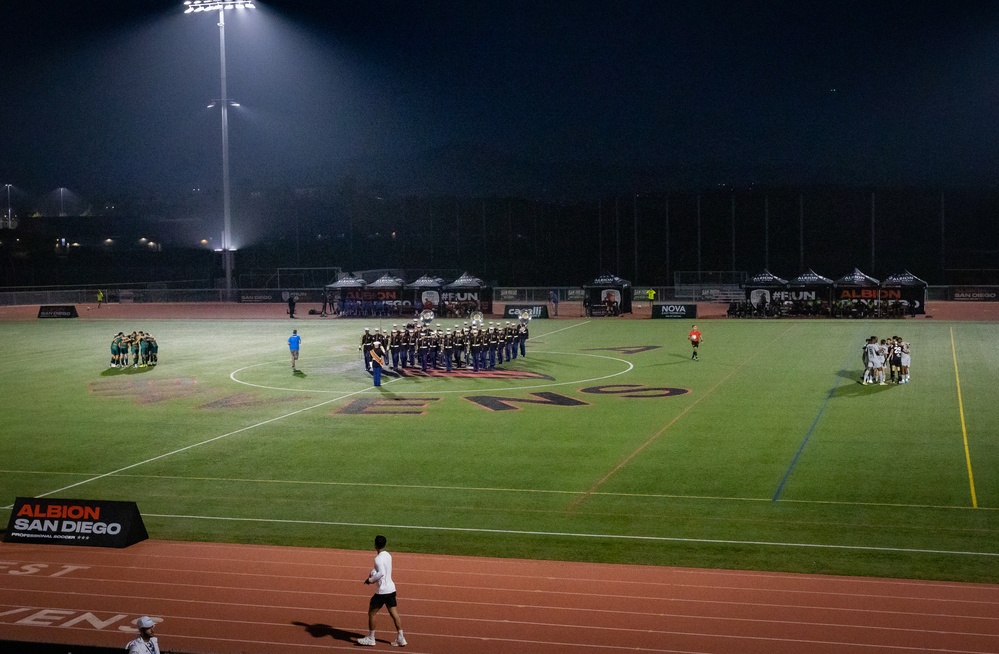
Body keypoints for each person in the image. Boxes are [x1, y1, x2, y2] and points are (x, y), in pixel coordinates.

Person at [358, 535, 406, 647]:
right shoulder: (388, 555)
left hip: (382, 591)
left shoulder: (377, 558)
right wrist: (373, 571)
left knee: (372, 613)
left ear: (375, 545)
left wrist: (370, 580)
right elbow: (382, 569)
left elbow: (381, 573)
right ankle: (401, 638)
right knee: (394, 614)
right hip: (391, 589)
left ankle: (371, 638)